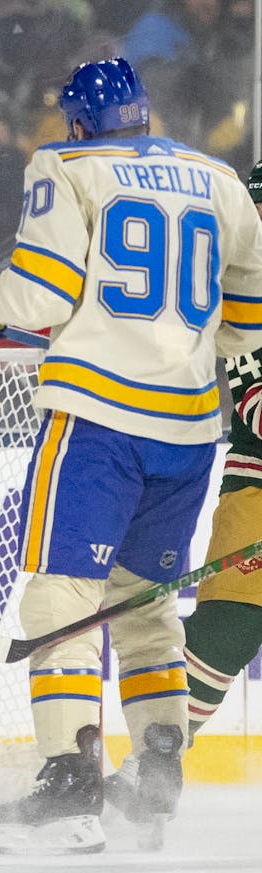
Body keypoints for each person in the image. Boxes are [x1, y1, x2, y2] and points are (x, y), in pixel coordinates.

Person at [0, 58, 262, 855]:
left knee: (61, 600)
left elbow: (39, 295)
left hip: (99, 420)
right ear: (143, 111)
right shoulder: (219, 179)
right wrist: (181, 344)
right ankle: (158, 773)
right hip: (192, 429)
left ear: (78, 120)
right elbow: (251, 318)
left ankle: (69, 779)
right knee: (144, 603)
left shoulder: (65, 165)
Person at [164, 160, 262, 748]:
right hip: (257, 487)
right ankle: (158, 766)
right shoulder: (241, 290)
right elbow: (255, 401)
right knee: (226, 626)